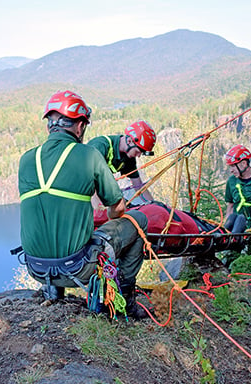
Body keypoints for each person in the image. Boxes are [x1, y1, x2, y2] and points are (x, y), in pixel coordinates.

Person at [18, 90, 149, 319]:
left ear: (50, 125)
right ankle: (126, 303)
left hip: (36, 269)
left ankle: (52, 292)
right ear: (79, 127)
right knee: (139, 221)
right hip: (77, 268)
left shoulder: (27, 159)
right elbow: (117, 208)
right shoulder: (89, 155)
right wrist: (110, 222)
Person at [87, 120, 157, 203]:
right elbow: (89, 180)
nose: (138, 155)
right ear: (129, 141)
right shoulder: (100, 146)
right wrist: (100, 209)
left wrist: (153, 204)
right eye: (138, 151)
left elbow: (138, 185)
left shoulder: (128, 157)